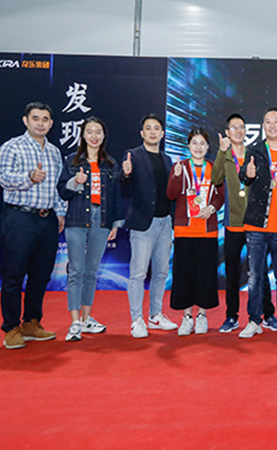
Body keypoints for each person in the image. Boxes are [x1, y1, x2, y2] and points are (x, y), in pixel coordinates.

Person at [0, 102, 65, 349]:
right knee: (13, 275)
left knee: (41, 275)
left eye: (45, 119)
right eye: (36, 118)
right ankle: (11, 328)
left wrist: (60, 212)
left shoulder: (54, 152)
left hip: (47, 220)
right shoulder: (12, 147)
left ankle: (31, 323)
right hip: (19, 218)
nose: (40, 123)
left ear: (51, 123)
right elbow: (3, 177)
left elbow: (56, 187)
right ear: (26, 121)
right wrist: (29, 177)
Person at [57, 117, 124, 342]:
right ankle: (75, 322)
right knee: (76, 270)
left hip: (102, 219)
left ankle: (86, 319)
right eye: (89, 131)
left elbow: (116, 197)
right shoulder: (71, 161)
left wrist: (116, 224)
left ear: (103, 136)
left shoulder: (110, 164)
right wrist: (75, 182)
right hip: (77, 219)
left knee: (91, 271)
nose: (94, 136)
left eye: (98, 132)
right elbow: (62, 191)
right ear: (83, 135)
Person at [211, 113, 277, 334]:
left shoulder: (254, 153)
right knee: (232, 274)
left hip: (255, 224)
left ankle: (268, 314)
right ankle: (231, 317)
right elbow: (215, 179)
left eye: (242, 127)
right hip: (233, 224)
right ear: (227, 132)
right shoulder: (225, 155)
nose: (238, 131)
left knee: (260, 273)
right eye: (234, 127)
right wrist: (221, 151)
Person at [238, 108, 277, 339]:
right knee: (254, 277)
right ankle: (254, 320)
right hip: (256, 226)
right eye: (268, 122)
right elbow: (244, 176)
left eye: (276, 121)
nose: (272, 125)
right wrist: (248, 173)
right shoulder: (254, 150)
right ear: (263, 126)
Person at [120, 113, 178, 338]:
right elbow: (124, 186)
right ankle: (136, 319)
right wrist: (125, 174)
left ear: (162, 133)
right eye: (148, 128)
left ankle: (155, 315)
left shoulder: (167, 159)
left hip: (165, 222)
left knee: (161, 272)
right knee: (138, 273)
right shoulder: (133, 156)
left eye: (156, 128)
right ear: (142, 133)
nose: (153, 132)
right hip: (143, 224)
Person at [167, 128, 224, 336]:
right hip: (184, 231)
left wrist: (212, 208)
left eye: (202, 143)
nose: (198, 147)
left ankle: (201, 315)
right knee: (184, 275)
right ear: (188, 146)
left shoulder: (213, 168)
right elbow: (171, 195)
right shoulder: (180, 167)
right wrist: (176, 177)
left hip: (207, 231)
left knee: (205, 276)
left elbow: (220, 195)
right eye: (194, 143)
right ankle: (186, 317)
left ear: (207, 147)